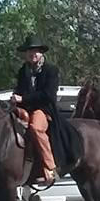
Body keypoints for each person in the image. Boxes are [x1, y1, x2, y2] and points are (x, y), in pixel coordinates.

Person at [11, 35, 60, 184]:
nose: (33, 54)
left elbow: (48, 95)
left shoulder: (51, 70)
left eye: (36, 51)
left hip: (44, 110)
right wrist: (14, 100)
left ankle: (50, 168)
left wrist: (23, 99)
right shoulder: (22, 71)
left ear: (41, 53)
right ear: (25, 54)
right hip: (25, 109)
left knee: (35, 128)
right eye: (30, 51)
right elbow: (20, 90)